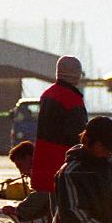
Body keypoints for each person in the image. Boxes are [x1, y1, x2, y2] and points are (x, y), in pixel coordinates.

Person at [30, 55, 87, 196]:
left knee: (46, 206)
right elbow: (78, 136)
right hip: (62, 164)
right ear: (77, 74)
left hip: (43, 162)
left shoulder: (47, 94)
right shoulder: (72, 99)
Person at [1, 140, 51, 223]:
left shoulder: (46, 173)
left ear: (29, 158)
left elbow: (42, 193)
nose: (22, 172)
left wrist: (18, 211)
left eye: (20, 166)